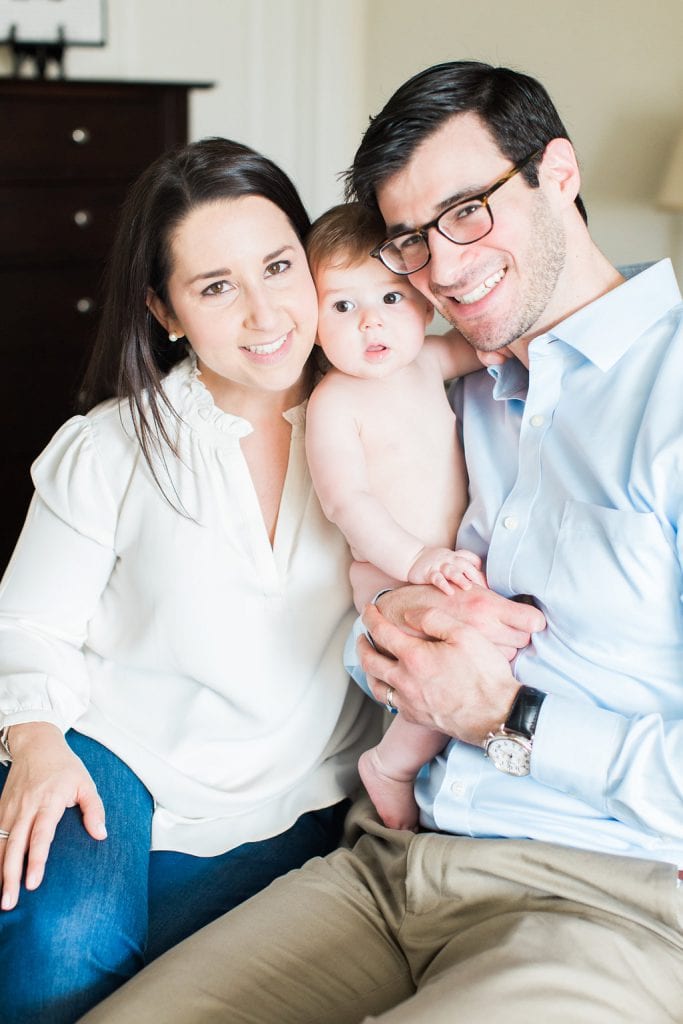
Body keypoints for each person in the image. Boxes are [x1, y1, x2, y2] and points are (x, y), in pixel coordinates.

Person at [79, 60, 683, 1023]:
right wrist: (386, 629)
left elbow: (498, 710)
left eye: (468, 211)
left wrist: (508, 719)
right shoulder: (457, 389)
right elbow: (372, 645)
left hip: (609, 903)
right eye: (409, 239)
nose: (440, 266)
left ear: (558, 174)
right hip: (396, 866)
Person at [0, 137, 383, 1024]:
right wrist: (36, 745)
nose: (265, 314)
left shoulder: (381, 417)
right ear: (164, 312)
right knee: (61, 950)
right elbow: (27, 625)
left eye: (279, 266)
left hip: (299, 783)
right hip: (113, 758)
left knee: (155, 988)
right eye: (216, 287)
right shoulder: (111, 445)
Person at [305, 201, 487, 829]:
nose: (370, 324)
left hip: (448, 565)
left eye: (389, 297)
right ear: (311, 321)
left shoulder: (427, 362)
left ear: (424, 298)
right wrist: (416, 559)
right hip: (389, 574)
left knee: (476, 652)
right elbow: (346, 502)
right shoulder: (333, 403)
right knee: (431, 662)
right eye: (342, 306)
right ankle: (393, 765)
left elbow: (486, 346)